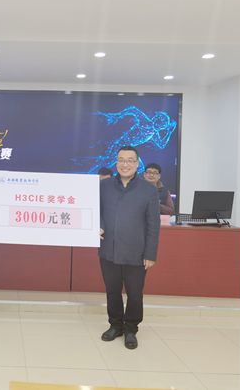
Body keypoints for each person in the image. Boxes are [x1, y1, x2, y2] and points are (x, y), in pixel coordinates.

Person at [99, 146, 160, 349]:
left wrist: (150, 254)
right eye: (121, 160)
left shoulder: (148, 190)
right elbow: (95, 211)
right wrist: (98, 225)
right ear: (116, 162)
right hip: (109, 250)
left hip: (137, 253)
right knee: (112, 291)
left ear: (137, 163)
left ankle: (131, 329)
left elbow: (153, 225)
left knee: (134, 294)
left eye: (130, 160)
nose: (125, 164)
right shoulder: (104, 186)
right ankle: (115, 325)